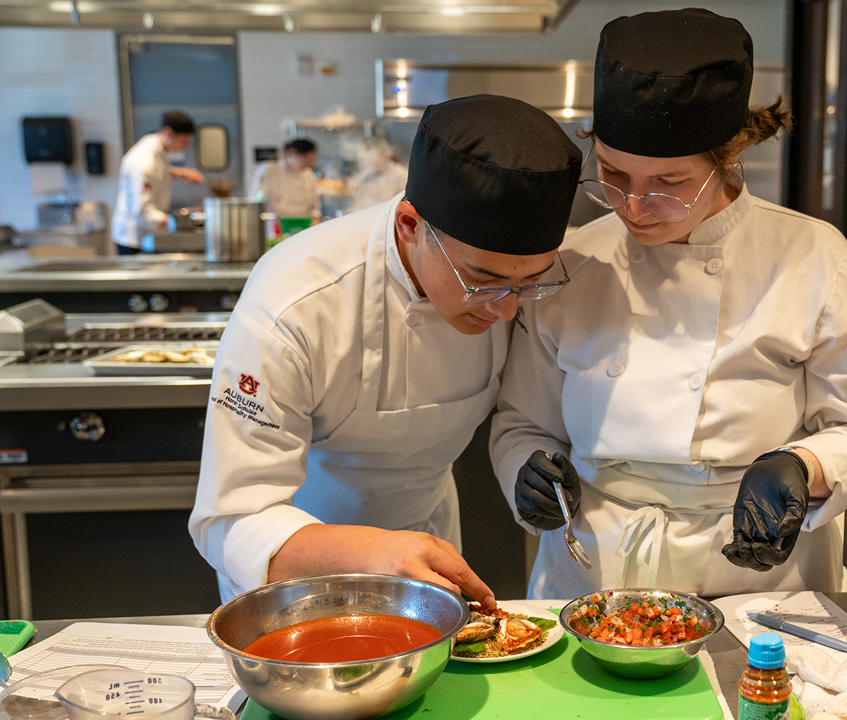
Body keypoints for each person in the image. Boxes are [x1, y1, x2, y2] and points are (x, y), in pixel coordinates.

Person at [489, 9, 847, 600]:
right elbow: (521, 423)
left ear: (728, 155)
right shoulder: (571, 263)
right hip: (591, 572)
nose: (634, 206)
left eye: (667, 183)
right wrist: (526, 470)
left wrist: (804, 466)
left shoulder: (813, 256)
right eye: (613, 175)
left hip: (756, 582)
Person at [189, 94, 582, 604]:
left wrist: (531, 474)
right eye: (481, 281)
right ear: (410, 226)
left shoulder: (511, 289)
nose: (506, 311)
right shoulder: (295, 303)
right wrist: (371, 555)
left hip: (429, 547)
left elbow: (524, 413)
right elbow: (230, 519)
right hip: (294, 565)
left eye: (530, 283)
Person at [111, 110, 205, 255]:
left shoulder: (157, 145)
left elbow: (160, 171)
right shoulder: (144, 162)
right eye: (184, 140)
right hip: (134, 239)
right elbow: (143, 212)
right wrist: (180, 223)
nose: (186, 146)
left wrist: (183, 174)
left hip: (147, 234)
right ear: (168, 132)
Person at [250, 138, 321, 220]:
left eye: (312, 161)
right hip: (276, 226)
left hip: (304, 226)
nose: (310, 165)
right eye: (307, 160)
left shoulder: (308, 174)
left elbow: (315, 206)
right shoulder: (268, 171)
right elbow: (257, 201)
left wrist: (315, 219)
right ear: (293, 153)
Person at [351, 143, 410, 213]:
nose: (372, 163)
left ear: (383, 155)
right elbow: (359, 200)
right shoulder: (366, 175)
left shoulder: (401, 174)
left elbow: (405, 202)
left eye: (374, 159)